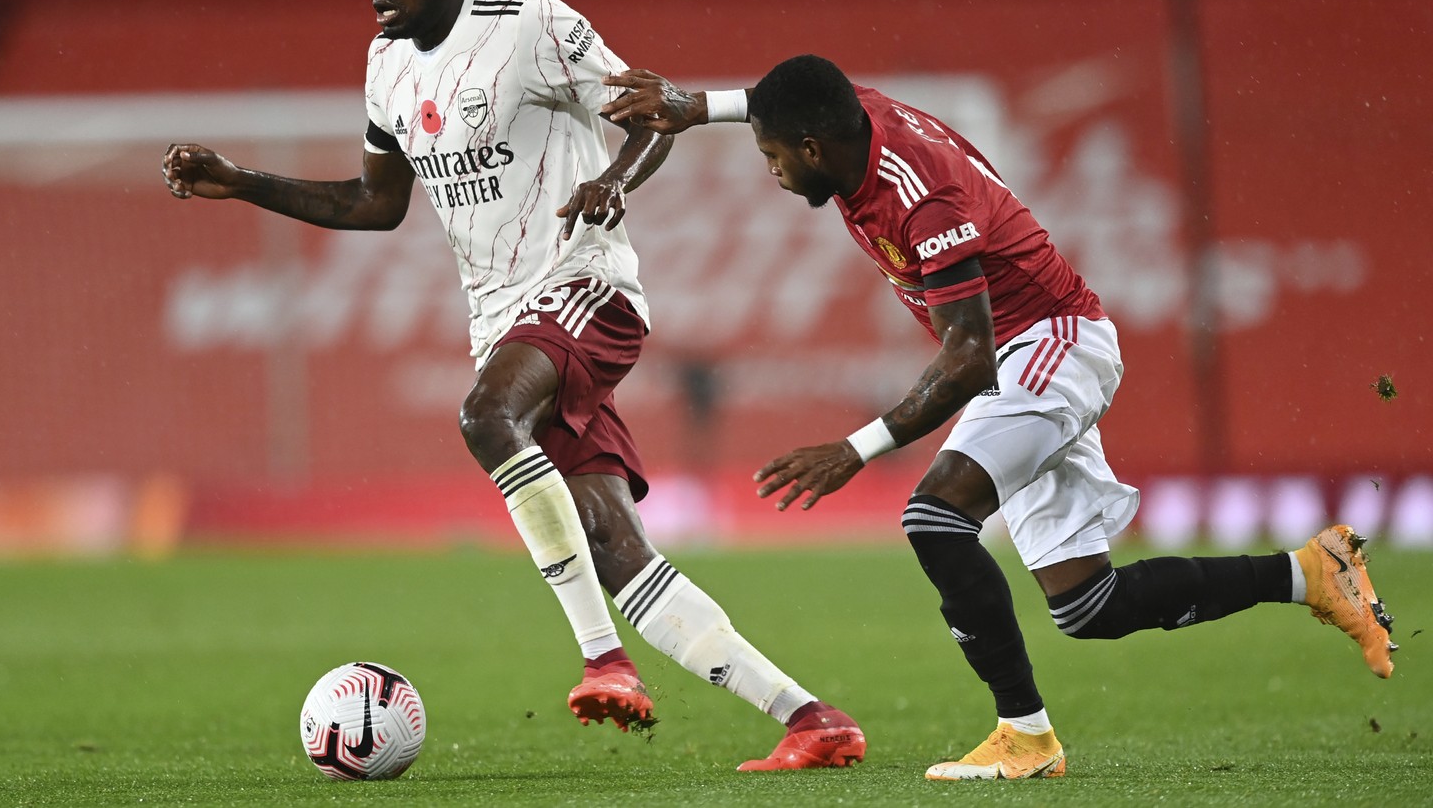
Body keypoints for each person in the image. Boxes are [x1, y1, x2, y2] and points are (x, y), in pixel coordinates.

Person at [160, 0, 863, 771]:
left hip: (584, 288)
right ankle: (811, 719)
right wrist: (242, 181)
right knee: (615, 547)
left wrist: (614, 182)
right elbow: (377, 204)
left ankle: (604, 659)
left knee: (485, 418)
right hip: (504, 323)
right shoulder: (387, 65)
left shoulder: (535, 28)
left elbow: (654, 115)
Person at [599, 56, 1398, 780]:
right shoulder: (853, 119)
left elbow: (971, 360)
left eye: (772, 157)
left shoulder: (921, 200)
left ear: (812, 149)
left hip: (1048, 343)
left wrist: (857, 447)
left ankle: (1025, 734)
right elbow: (807, 89)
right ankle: (1309, 573)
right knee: (1090, 606)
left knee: (934, 517)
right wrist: (696, 106)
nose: (769, 171)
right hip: (1027, 353)